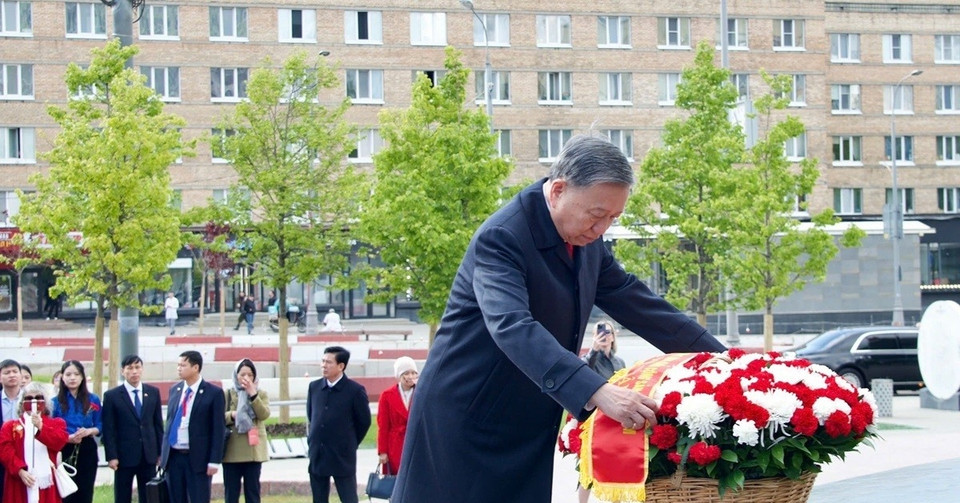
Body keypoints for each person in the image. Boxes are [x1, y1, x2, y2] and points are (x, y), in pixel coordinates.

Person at [391, 135, 727, 503]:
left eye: (614, 218)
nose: (603, 229)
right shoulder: (503, 236)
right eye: (597, 215)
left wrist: (719, 359)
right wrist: (596, 391)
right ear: (558, 191)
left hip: (526, 416)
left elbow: (634, 300)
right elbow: (511, 325)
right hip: (466, 420)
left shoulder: (585, 239)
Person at [306, 346, 371, 503]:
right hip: (318, 453)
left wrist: (349, 443)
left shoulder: (355, 391)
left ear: (341, 366)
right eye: (323, 361)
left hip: (342, 455)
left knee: (348, 497)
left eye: (329, 362)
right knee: (319, 498)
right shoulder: (314, 387)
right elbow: (311, 415)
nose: (324, 365)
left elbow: (364, 421)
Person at [161, 351, 225, 503]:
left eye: (183, 365)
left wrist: (214, 460)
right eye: (178, 365)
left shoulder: (213, 393)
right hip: (174, 456)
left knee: (198, 498)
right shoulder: (175, 390)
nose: (179, 368)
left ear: (195, 367)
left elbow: (218, 429)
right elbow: (169, 422)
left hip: (197, 458)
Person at [101, 355, 163, 503]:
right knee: (122, 495)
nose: (134, 371)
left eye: (137, 367)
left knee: (148, 495)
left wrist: (160, 453)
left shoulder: (153, 392)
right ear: (123, 371)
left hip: (148, 455)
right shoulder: (112, 396)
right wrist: (111, 456)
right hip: (124, 456)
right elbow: (109, 429)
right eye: (130, 368)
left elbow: (158, 425)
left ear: (142, 369)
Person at [578, 320, 626, 503]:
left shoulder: (618, 361)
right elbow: (582, 372)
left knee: (617, 462)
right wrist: (593, 350)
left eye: (608, 332)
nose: (604, 336)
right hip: (594, 417)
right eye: (600, 332)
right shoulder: (591, 358)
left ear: (613, 337)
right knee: (587, 465)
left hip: (615, 416)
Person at [0, 382, 69, 503]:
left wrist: (41, 426)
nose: (34, 402)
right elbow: (5, 451)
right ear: (22, 403)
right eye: (29, 398)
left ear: (46, 403)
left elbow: (59, 442)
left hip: (47, 482)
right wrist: (20, 471)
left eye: (38, 398)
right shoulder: (10, 426)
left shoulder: (57, 423)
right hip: (19, 479)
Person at [51, 361, 101, 503]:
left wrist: (89, 431)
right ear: (62, 377)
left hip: (87, 448)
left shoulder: (93, 399)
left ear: (82, 377)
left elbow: (100, 424)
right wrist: (68, 437)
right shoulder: (54, 402)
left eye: (76, 374)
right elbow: (51, 430)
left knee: (85, 490)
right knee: (66, 491)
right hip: (64, 449)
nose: (72, 378)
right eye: (68, 374)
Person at [222, 359, 270, 503]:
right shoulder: (228, 394)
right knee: (231, 493)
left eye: (250, 374)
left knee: (253, 492)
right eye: (242, 374)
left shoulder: (260, 393)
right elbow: (218, 417)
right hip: (232, 450)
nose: (246, 378)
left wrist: (252, 394)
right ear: (236, 376)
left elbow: (264, 414)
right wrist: (232, 415)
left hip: (253, 450)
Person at [377, 357, 418, 476]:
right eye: (406, 373)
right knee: (396, 479)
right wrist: (383, 451)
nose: (410, 376)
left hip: (416, 443)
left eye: (413, 373)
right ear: (399, 376)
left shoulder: (421, 393)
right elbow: (383, 426)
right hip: (395, 445)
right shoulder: (387, 396)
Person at [0, 359, 23, 497]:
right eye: (6, 372)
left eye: (15, 371)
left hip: (24, 450)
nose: (11, 375)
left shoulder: (30, 398)